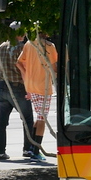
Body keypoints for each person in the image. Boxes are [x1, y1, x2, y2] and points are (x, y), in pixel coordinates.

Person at [0, 22, 36, 162]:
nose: (24, 35)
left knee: (2, 121)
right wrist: (30, 88)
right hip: (19, 86)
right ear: (18, 33)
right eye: (23, 32)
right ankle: (28, 149)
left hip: (3, 85)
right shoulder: (22, 48)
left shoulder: (1, 47)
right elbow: (27, 69)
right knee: (27, 119)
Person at [17, 30, 58, 162]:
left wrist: (28, 74)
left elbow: (19, 62)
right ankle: (36, 150)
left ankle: (32, 147)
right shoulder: (49, 47)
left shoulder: (29, 44)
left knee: (39, 116)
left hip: (31, 85)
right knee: (42, 119)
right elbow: (54, 67)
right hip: (43, 86)